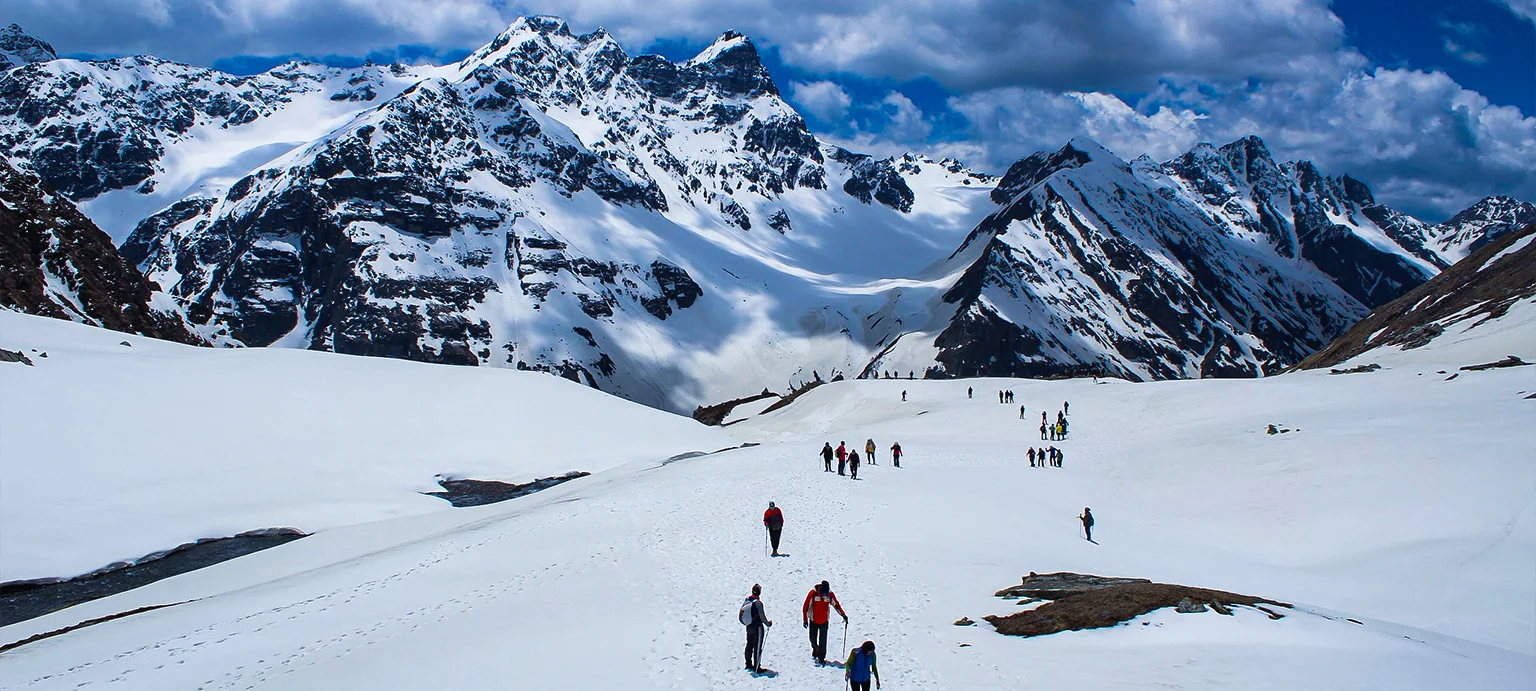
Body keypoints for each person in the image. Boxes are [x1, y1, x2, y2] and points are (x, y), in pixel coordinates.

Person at [802, 580, 847, 664]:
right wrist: (805, 620)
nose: (824, 595)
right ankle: (815, 648)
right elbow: (805, 607)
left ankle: (821, 657)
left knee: (823, 640)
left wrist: (843, 615)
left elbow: (836, 605)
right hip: (813, 620)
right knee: (812, 639)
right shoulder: (813, 593)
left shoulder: (830, 595)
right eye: (823, 593)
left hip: (824, 621)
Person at [742, 584, 773, 672]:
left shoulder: (747, 600)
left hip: (749, 625)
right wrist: (768, 624)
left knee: (749, 644)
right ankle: (757, 667)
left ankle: (748, 664)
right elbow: (762, 616)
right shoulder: (758, 603)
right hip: (757, 627)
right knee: (757, 646)